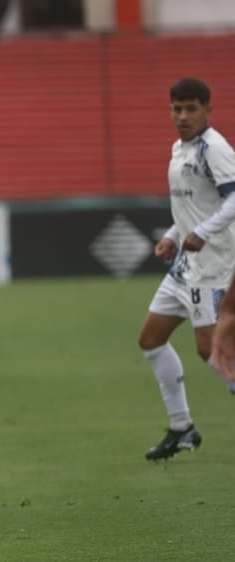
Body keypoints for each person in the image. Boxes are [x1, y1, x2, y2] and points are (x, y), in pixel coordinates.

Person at [138, 77, 235, 460]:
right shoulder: (179, 149)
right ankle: (182, 428)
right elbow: (192, 208)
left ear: (208, 110)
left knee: (211, 352)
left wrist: (202, 233)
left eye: (191, 108)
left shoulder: (215, 148)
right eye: (176, 108)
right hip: (185, 265)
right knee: (151, 339)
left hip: (212, 266)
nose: (182, 116)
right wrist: (173, 236)